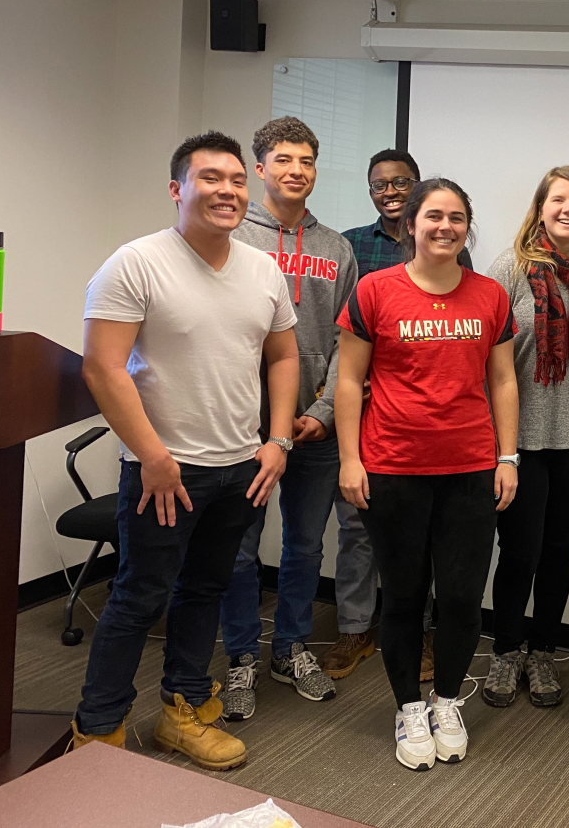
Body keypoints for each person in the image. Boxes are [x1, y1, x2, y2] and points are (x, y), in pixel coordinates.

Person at [70, 132, 299, 770]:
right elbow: (103, 368)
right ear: (178, 188)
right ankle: (98, 730)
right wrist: (152, 454)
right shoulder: (136, 263)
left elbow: (282, 355)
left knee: (208, 589)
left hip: (241, 469)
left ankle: (183, 709)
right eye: (209, 178)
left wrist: (277, 440)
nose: (226, 190)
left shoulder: (262, 268)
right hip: (162, 472)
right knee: (140, 595)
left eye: (235, 180)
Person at [335, 177, 519, 771]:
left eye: (457, 217)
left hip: (469, 468)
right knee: (405, 596)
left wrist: (508, 456)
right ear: (410, 224)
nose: (445, 227)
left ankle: (446, 700)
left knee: (463, 597)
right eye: (433, 216)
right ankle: (408, 705)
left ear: (468, 227)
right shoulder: (374, 291)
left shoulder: (490, 296)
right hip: (394, 467)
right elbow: (347, 382)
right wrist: (349, 459)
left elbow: (503, 381)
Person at [219, 117, 358, 719]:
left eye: (305, 160)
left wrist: (325, 411)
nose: (294, 170)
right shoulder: (232, 237)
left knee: (304, 546)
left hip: (316, 428)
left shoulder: (338, 248)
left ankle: (291, 646)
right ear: (260, 167)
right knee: (240, 549)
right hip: (244, 428)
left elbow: (349, 344)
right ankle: (241, 657)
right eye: (282, 160)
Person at [326, 149, 469, 682]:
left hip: (429, 425)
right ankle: (355, 628)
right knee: (358, 529)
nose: (389, 190)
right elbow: (346, 336)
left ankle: (422, 635)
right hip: (364, 408)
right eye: (379, 184)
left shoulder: (454, 253)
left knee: (432, 543)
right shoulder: (352, 245)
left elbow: (465, 336)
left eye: (401, 182)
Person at [483, 166, 569, 709]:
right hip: (522, 440)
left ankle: (543, 651)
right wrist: (495, 444)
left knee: (559, 552)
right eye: (557, 199)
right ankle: (506, 650)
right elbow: (486, 362)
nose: (568, 209)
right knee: (519, 551)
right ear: (540, 208)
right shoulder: (509, 268)